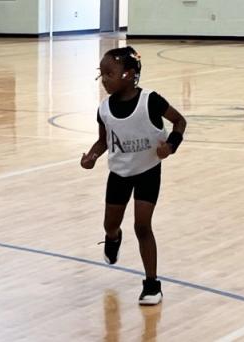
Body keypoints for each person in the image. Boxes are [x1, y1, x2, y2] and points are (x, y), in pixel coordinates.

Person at [80, 46, 187, 306]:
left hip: (148, 171)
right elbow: (103, 141)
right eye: (101, 74)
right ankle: (113, 238)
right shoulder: (104, 109)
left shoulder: (150, 100)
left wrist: (170, 146)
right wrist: (91, 156)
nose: (104, 79)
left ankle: (152, 285)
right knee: (110, 224)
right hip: (119, 173)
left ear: (128, 74)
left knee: (142, 225)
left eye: (109, 73)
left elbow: (180, 122)